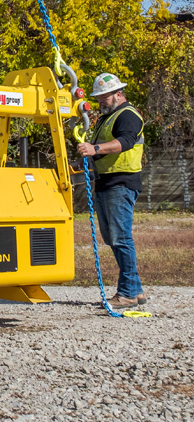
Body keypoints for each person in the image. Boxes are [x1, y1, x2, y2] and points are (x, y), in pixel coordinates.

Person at [76, 72, 146, 310]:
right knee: (113, 238)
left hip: (122, 183)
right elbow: (102, 150)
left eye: (104, 96)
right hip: (106, 183)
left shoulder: (127, 115)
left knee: (121, 237)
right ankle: (135, 290)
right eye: (98, 97)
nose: (100, 101)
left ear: (118, 93)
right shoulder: (108, 118)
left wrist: (94, 148)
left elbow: (125, 142)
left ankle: (126, 292)